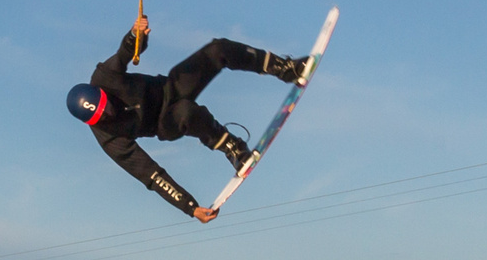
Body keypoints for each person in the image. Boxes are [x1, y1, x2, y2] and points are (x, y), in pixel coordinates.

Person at [67, 15, 308, 221]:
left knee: (218, 49)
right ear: (92, 122)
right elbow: (151, 176)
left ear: (100, 92)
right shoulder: (109, 139)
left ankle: (285, 68)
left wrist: (135, 35)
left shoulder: (104, 77)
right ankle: (233, 148)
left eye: (106, 105)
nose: (109, 112)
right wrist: (190, 207)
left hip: (169, 88)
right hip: (164, 124)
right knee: (185, 112)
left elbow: (126, 52)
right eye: (103, 116)